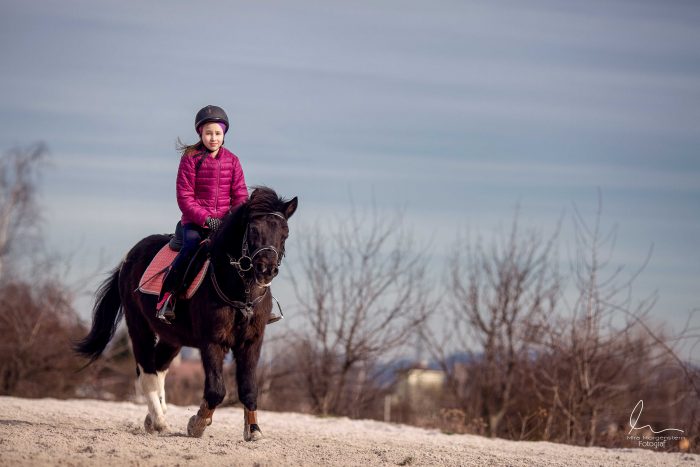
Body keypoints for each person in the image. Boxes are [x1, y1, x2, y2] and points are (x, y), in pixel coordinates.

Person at [156, 105, 248, 323]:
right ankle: (167, 298)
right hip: (195, 224)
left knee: (250, 249)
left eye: (217, 133)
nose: (213, 138)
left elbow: (241, 196)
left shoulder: (233, 161)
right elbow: (184, 197)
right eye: (208, 133)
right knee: (190, 249)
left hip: (225, 225)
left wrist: (230, 220)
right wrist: (207, 220)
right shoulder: (190, 158)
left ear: (224, 134)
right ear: (200, 134)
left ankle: (256, 302)